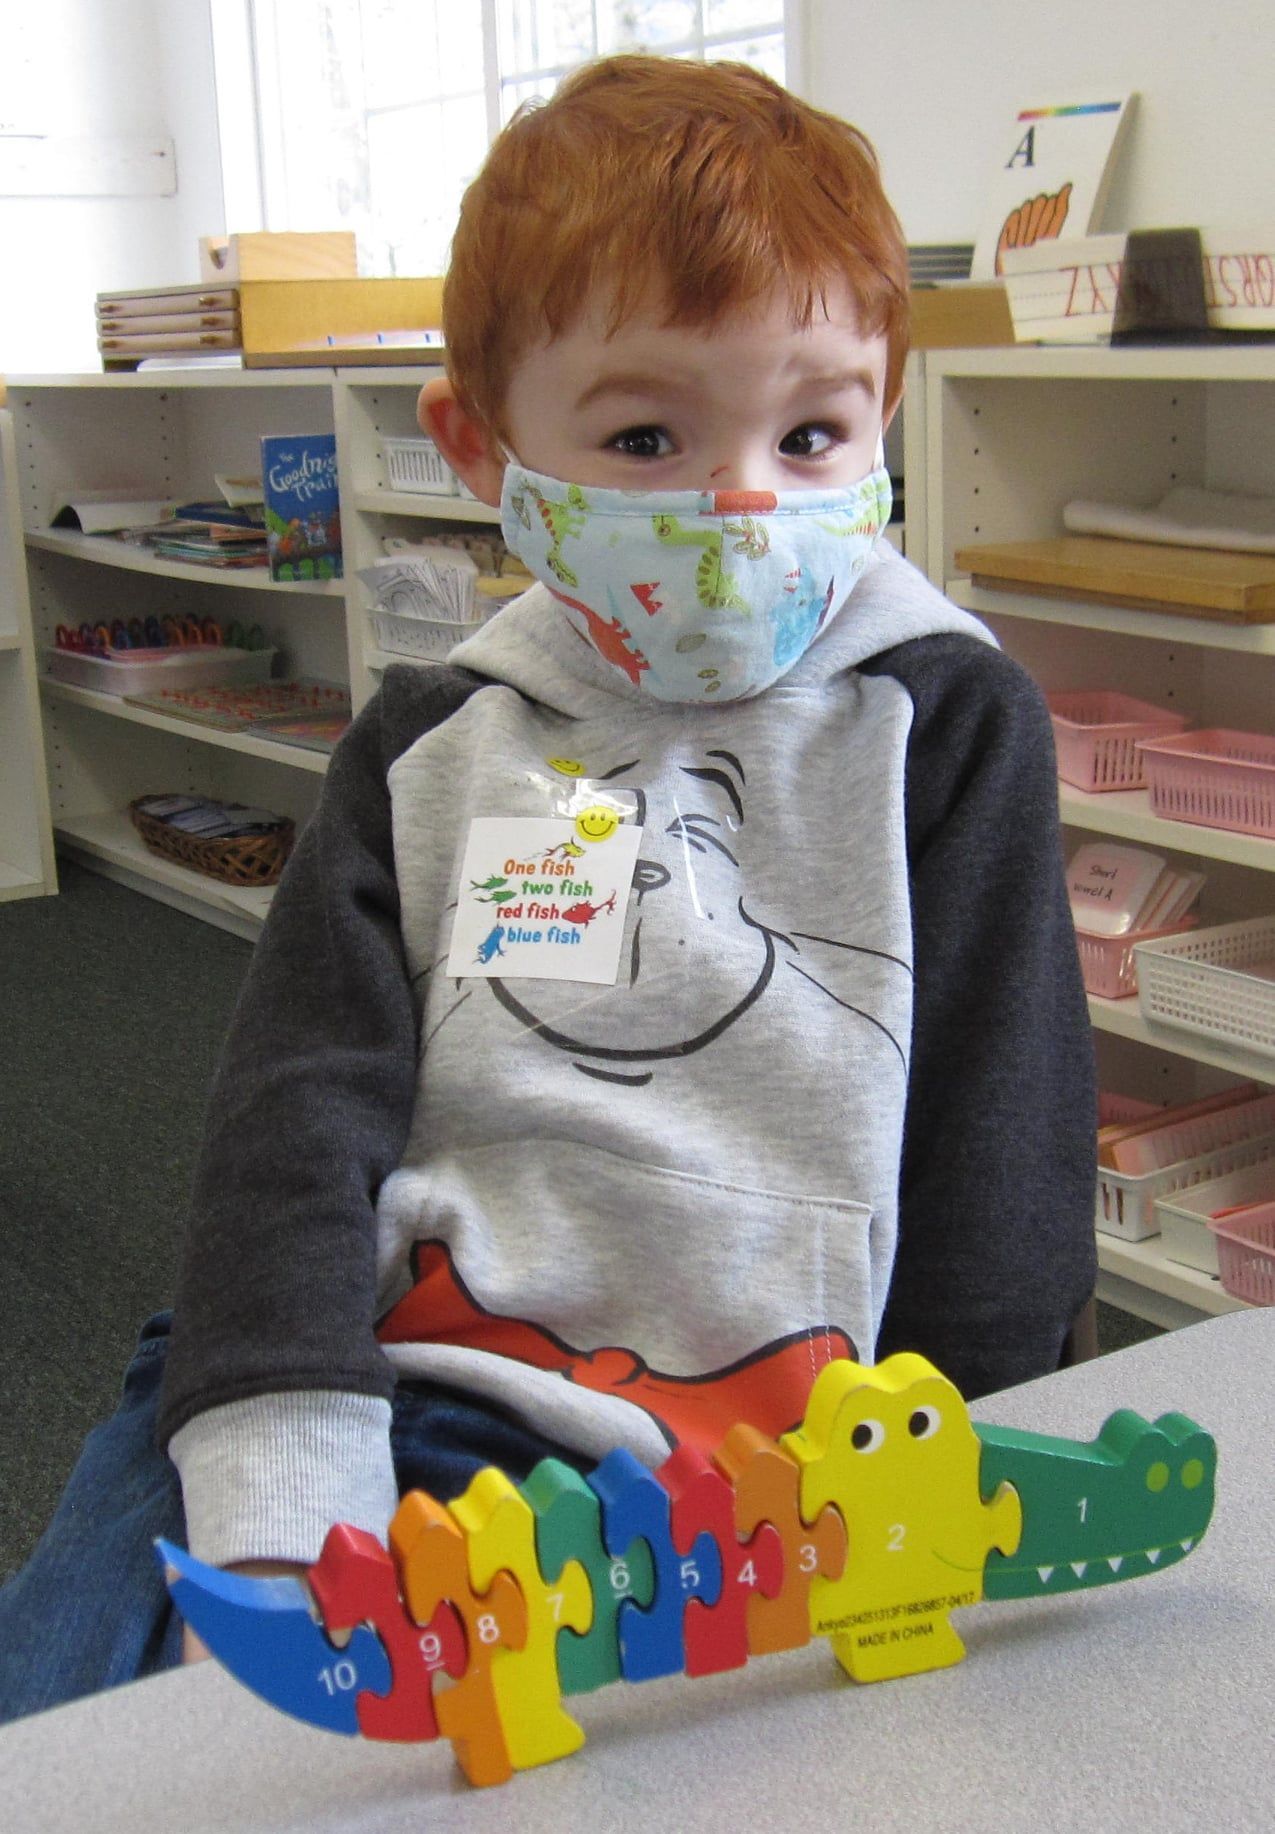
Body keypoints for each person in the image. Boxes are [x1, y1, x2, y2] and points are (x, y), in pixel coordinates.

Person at [0, 52, 1096, 1722]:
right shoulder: (433, 736)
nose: (746, 503)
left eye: (814, 432)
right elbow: (296, 1118)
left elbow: (1003, 1133)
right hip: (413, 1363)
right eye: (647, 435)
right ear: (482, 446)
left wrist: (962, 1459)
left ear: (884, 412)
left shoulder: (939, 717)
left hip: (777, 1438)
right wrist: (293, 1474)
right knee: (96, 1710)